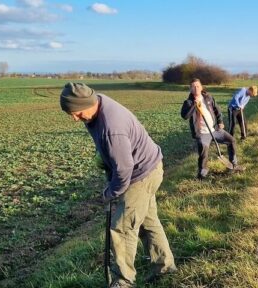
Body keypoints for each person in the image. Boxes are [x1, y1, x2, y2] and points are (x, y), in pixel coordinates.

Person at [59, 83, 176, 287]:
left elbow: (123, 170)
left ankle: (123, 281)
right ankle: (164, 267)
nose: (74, 118)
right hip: (149, 167)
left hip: (139, 176)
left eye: (76, 113)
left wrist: (111, 192)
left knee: (121, 229)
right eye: (70, 113)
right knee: (147, 222)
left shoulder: (111, 128)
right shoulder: (98, 104)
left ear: (87, 103)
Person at [181, 78, 244, 179]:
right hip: (202, 133)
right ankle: (202, 173)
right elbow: (185, 116)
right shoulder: (188, 102)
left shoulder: (208, 97)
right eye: (193, 86)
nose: (196, 88)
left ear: (201, 87)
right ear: (190, 89)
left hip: (214, 129)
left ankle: (234, 164)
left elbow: (217, 110)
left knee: (231, 140)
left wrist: (220, 122)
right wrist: (194, 104)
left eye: (198, 86)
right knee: (203, 153)